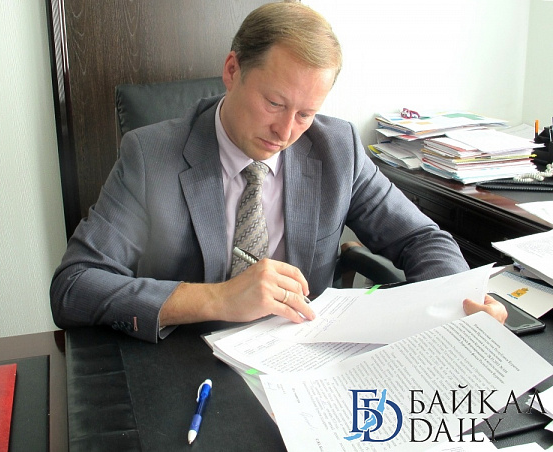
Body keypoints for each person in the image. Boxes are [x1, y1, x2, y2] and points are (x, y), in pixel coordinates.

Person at [50, 3, 506, 343]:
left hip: (302, 358)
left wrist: (457, 301)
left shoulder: (337, 148)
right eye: (274, 103)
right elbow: (74, 286)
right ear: (233, 70)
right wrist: (219, 298)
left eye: (306, 113)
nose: (285, 132)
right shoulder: (152, 156)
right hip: (188, 360)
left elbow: (421, 239)